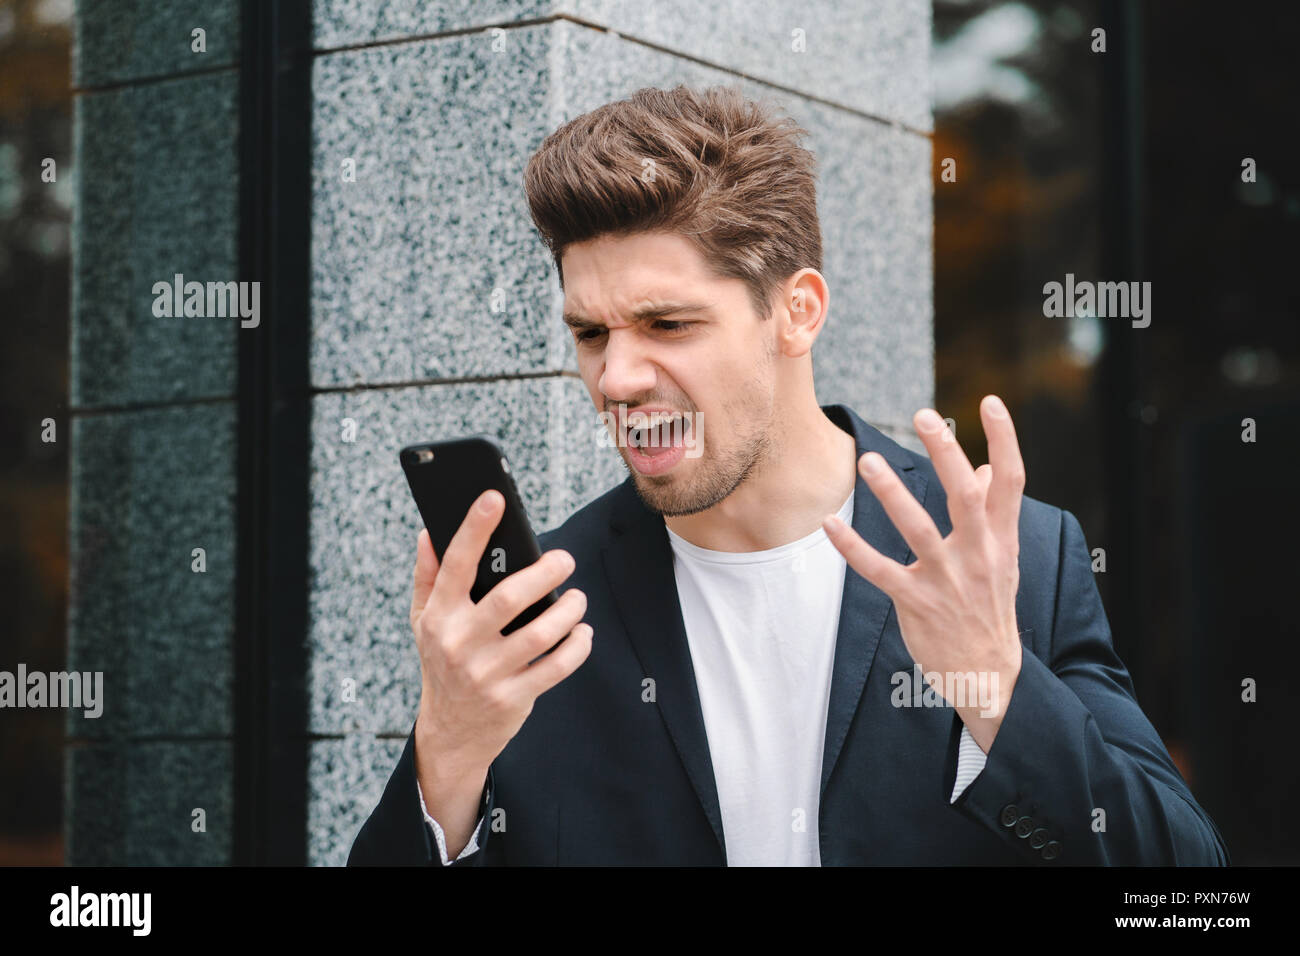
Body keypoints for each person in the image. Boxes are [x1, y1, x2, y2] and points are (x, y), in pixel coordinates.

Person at [348, 85, 1228, 866]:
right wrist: (449, 755)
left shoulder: (1011, 556)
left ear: (796, 313)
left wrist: (996, 686)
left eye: (667, 324)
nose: (616, 379)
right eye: (591, 334)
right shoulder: (544, 613)